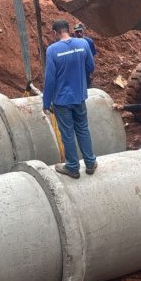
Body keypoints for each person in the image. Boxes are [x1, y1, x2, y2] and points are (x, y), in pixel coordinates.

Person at [43, 19, 97, 178]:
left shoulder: (52, 50)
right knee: (83, 129)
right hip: (79, 96)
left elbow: (50, 80)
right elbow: (91, 67)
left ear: (55, 33)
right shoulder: (83, 44)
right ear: (68, 30)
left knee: (67, 133)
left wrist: (46, 103)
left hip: (61, 101)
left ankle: (73, 167)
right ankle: (90, 162)